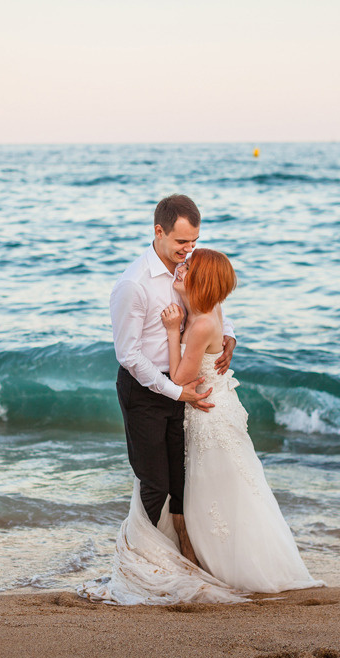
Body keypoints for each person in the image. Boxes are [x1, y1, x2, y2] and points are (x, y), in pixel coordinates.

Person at [79, 195, 244, 604]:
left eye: (194, 241)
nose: (188, 249)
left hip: (183, 386)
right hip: (146, 392)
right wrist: (175, 391)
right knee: (154, 483)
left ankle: (175, 557)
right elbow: (128, 355)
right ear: (158, 232)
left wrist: (229, 337)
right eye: (181, 242)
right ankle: (132, 568)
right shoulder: (133, 284)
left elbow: (212, 304)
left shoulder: (191, 269)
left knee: (181, 482)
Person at [160, 249, 322, 593]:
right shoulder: (210, 309)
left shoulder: (202, 322)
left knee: (216, 490)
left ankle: (225, 567)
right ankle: (224, 560)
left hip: (208, 415)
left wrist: (173, 330)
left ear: (200, 280)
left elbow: (177, 379)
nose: (179, 268)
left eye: (186, 267)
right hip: (218, 406)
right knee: (233, 488)